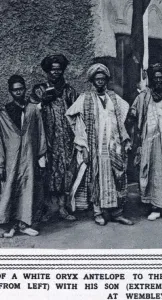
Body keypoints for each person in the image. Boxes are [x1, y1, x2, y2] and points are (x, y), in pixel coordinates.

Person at [65, 63, 133, 226]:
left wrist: (124, 139)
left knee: (117, 177)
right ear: (92, 81)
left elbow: (121, 116)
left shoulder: (113, 97)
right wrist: (83, 146)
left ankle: (117, 213)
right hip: (95, 146)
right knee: (97, 178)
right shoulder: (85, 98)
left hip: (113, 146)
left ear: (107, 80)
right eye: (97, 79)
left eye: (103, 79)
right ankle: (98, 212)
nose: (100, 82)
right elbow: (73, 117)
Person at [127, 63, 162, 222]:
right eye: (155, 78)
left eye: (161, 78)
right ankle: (154, 208)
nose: (158, 81)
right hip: (150, 142)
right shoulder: (144, 96)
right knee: (150, 171)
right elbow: (133, 115)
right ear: (151, 79)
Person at [30, 54, 78, 221]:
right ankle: (49, 208)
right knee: (48, 171)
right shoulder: (39, 90)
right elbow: (30, 113)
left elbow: (76, 114)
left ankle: (63, 207)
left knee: (65, 170)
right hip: (47, 138)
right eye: (52, 70)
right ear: (47, 71)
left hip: (66, 139)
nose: (56, 73)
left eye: (59, 70)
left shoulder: (69, 91)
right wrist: (42, 103)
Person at [0, 75, 47, 238]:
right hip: (11, 159)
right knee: (9, 189)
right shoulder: (4, 113)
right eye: (15, 89)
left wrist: (41, 157)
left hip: (28, 157)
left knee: (28, 189)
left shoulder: (33, 109)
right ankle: (8, 225)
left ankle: (23, 224)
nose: (18, 92)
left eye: (21, 88)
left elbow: (40, 132)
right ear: (10, 92)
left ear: (25, 89)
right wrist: (1, 162)